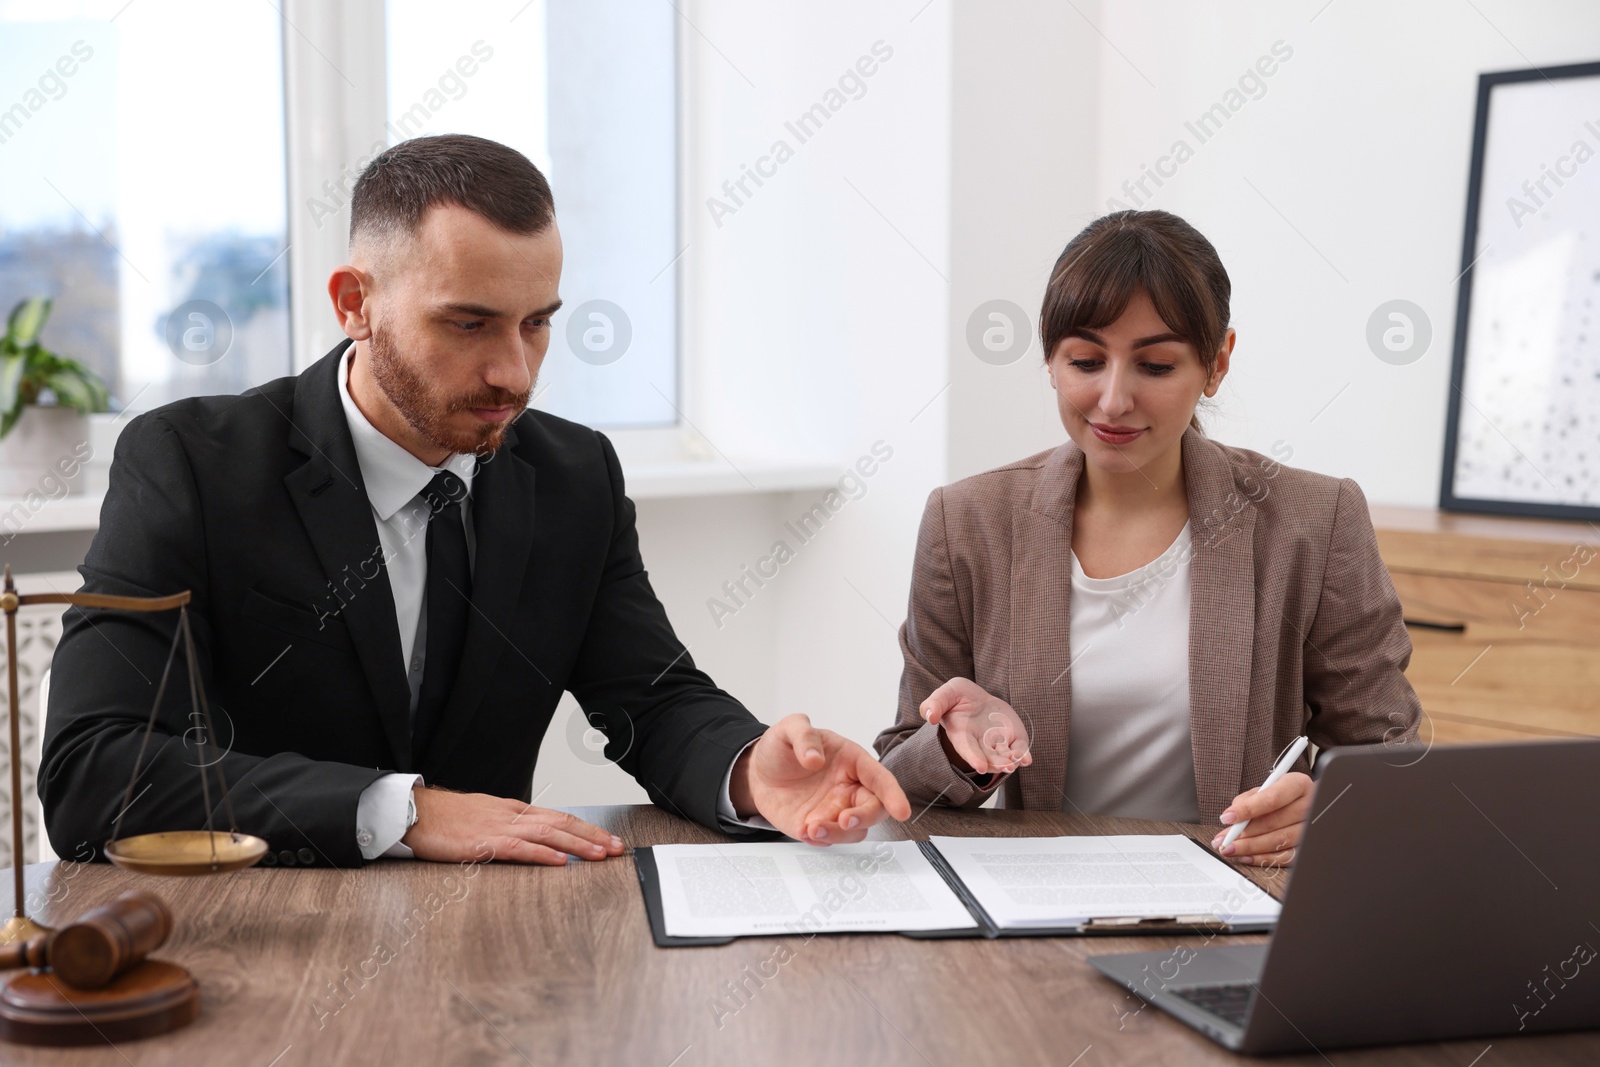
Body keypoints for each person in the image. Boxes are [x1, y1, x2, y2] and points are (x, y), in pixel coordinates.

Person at [42, 134, 908, 868]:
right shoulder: (190, 462)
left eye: (537, 323)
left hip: (487, 942)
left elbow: (653, 698)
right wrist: (403, 810)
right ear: (356, 303)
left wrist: (748, 769)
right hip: (263, 932)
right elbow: (92, 770)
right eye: (470, 324)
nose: (515, 374)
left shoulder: (575, 475)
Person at [875, 209, 1420, 867]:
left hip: (1238, 898)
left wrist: (1331, 803)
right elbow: (901, 782)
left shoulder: (1313, 519)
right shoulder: (967, 522)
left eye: (1155, 366)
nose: (1112, 400)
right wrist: (958, 750)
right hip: (1042, 906)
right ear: (1050, 360)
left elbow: (1391, 755)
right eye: (1084, 360)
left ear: (1216, 364)